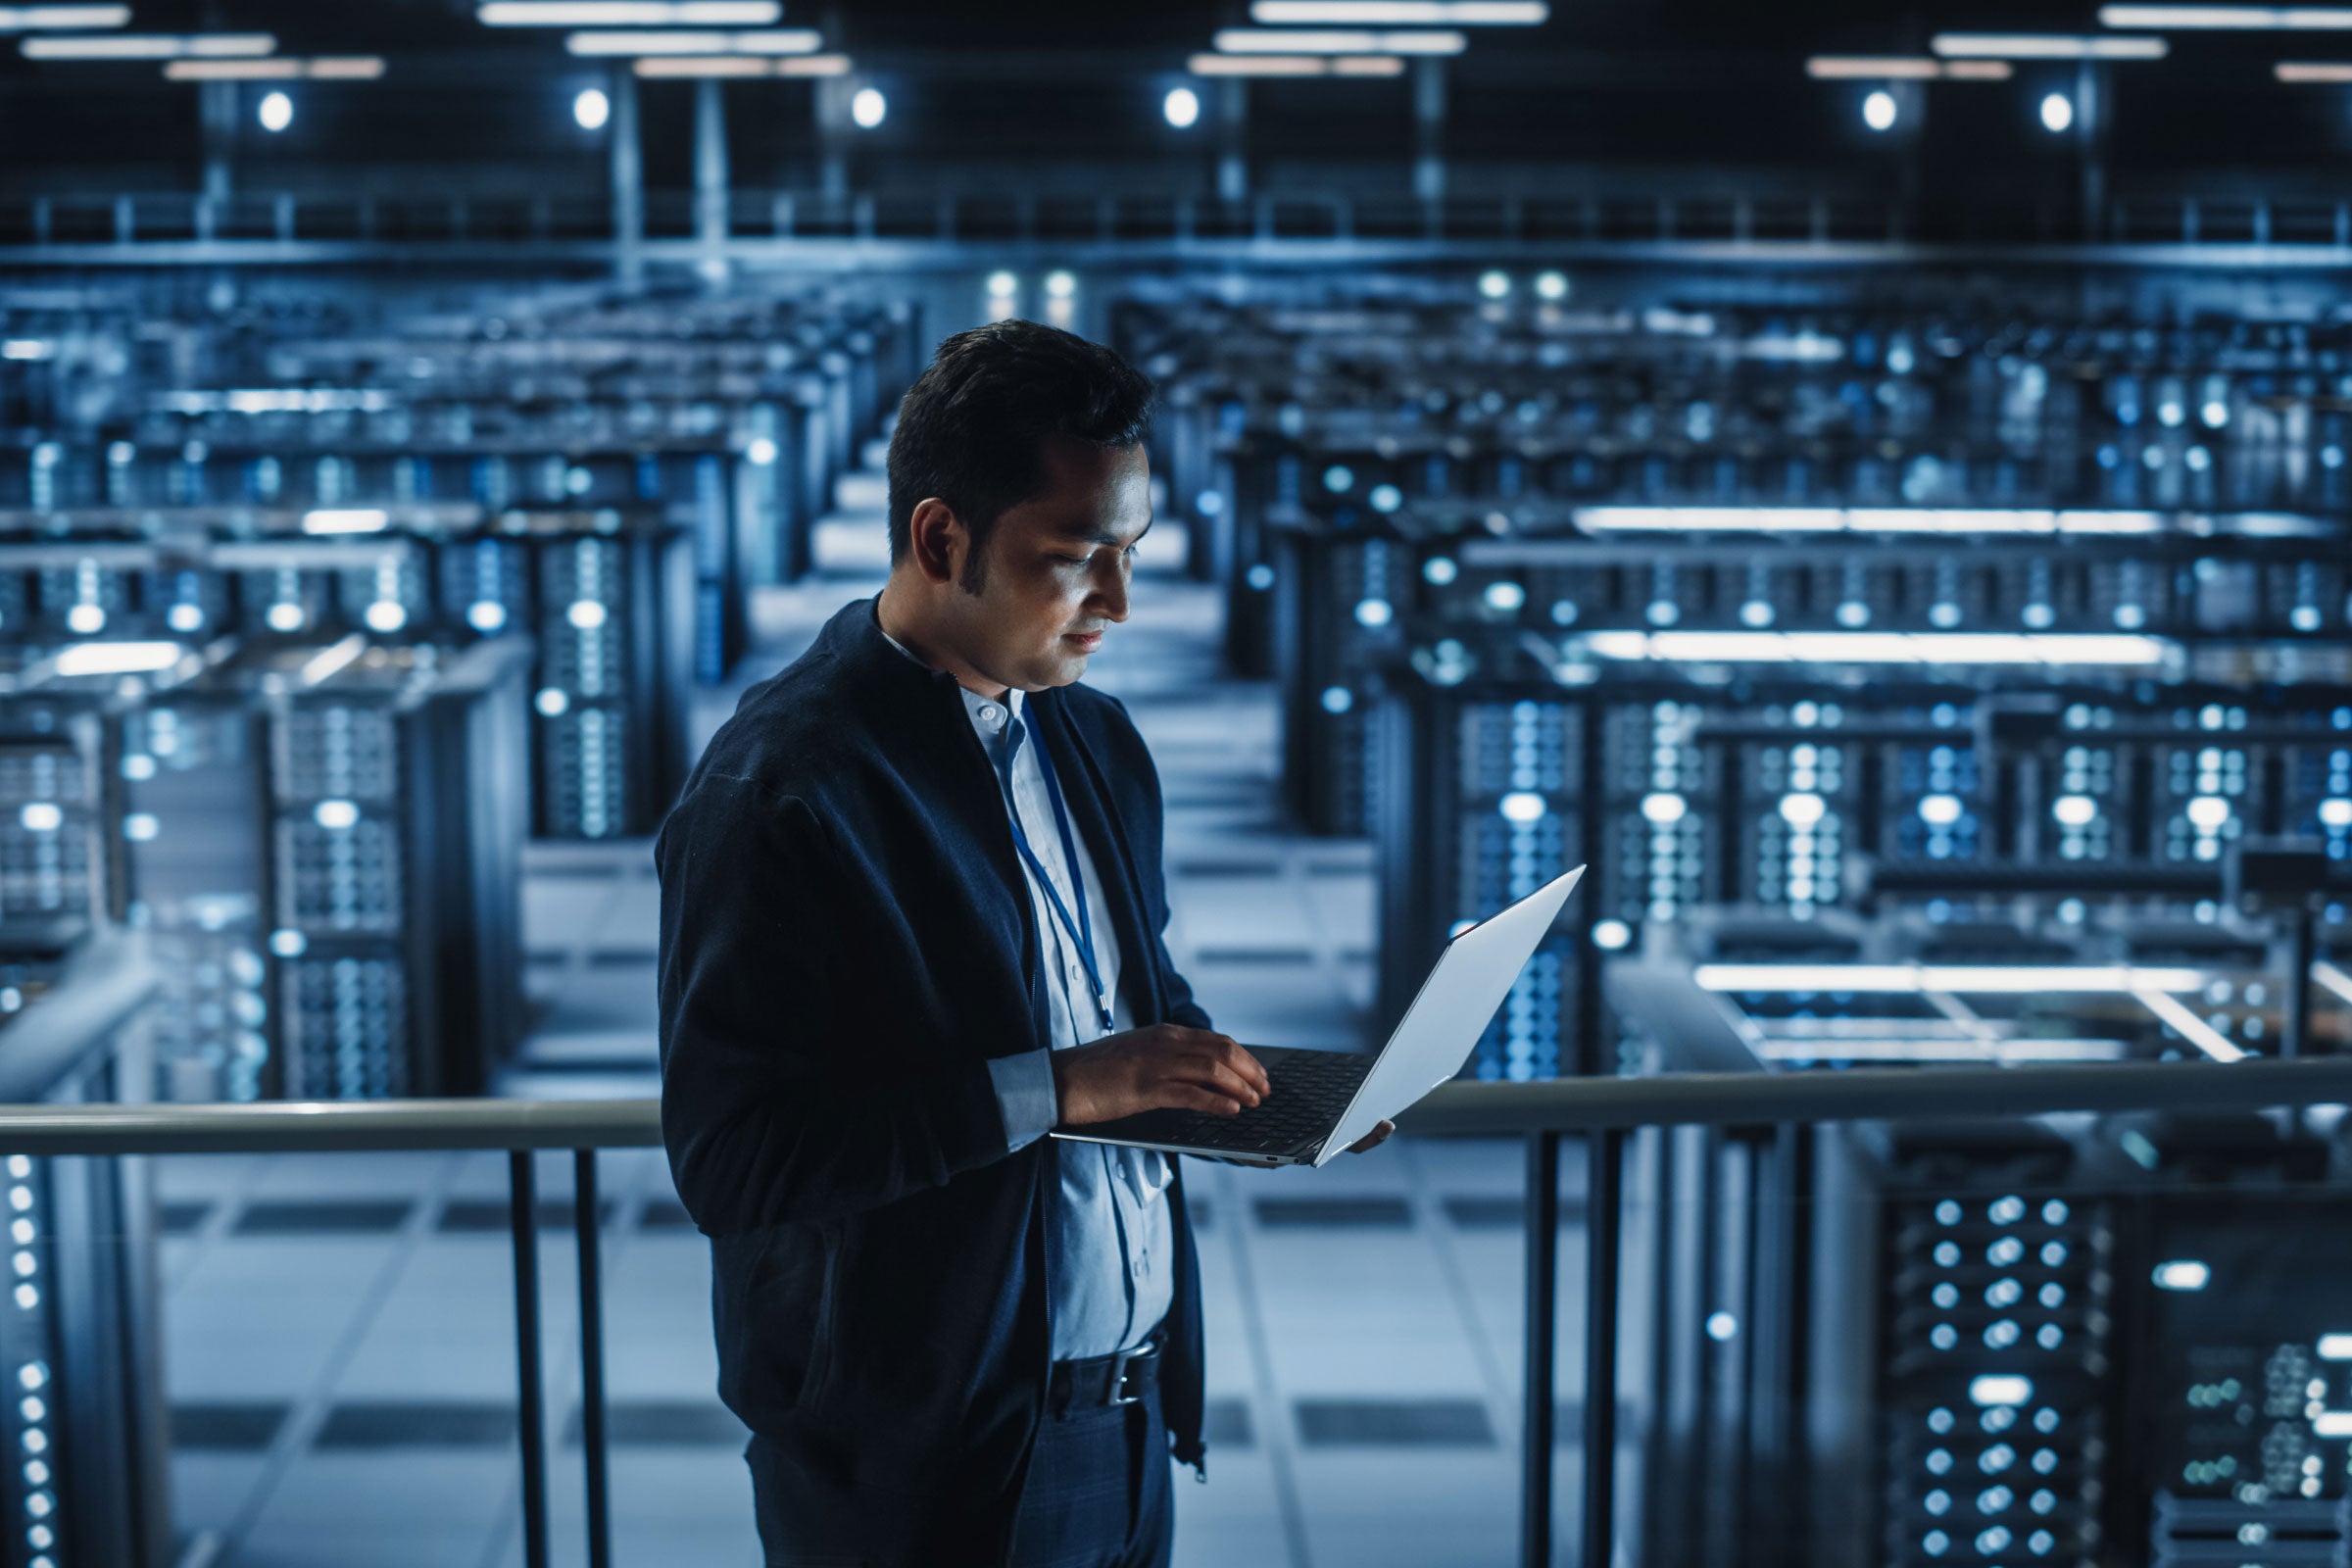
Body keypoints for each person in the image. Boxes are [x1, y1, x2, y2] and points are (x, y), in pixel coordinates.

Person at [656, 318, 1390, 1568]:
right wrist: (1060, 1087)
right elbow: (735, 1161)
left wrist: (1266, 1096)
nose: (1117, 601)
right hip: (924, 1466)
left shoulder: (1090, 740)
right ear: (943, 539)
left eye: (1132, 552)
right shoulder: (782, 786)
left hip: (1127, 1418)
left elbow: (1139, 1006)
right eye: (1076, 557)